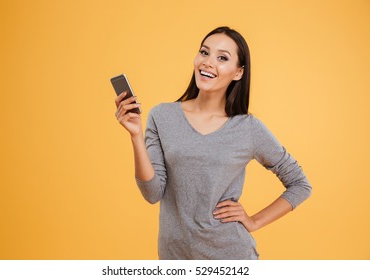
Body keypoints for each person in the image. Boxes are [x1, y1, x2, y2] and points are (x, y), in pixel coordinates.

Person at [114, 26, 312, 259]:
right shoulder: (162, 116)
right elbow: (152, 193)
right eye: (204, 52)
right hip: (175, 257)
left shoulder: (247, 128)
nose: (208, 62)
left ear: (238, 72)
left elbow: (300, 184)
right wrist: (135, 136)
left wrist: (254, 221)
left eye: (222, 58)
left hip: (231, 256)